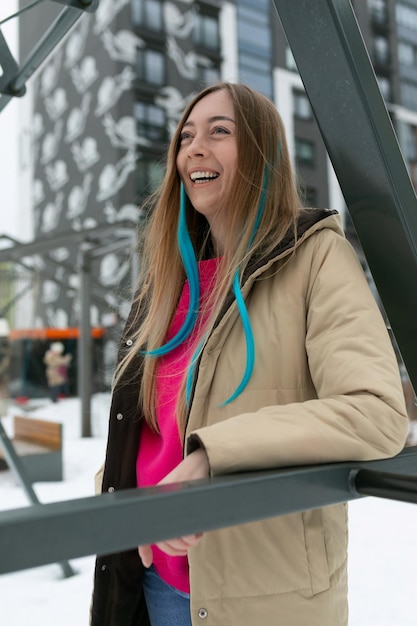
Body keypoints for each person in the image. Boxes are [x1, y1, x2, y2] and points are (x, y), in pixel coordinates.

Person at [90, 82, 408, 626]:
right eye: (185, 136)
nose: (194, 147)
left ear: (262, 150)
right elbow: (141, 432)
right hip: (150, 583)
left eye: (220, 131)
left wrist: (213, 456)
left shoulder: (317, 257)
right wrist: (120, 508)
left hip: (265, 596)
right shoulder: (163, 287)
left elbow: (376, 411)